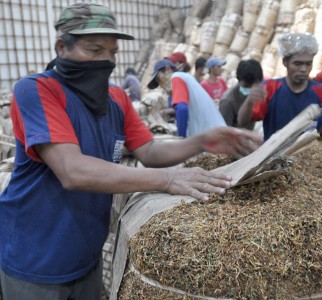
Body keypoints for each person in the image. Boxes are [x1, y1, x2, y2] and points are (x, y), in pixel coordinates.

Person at [0, 3, 262, 300]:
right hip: (35, 259)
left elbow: (148, 150)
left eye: (112, 53)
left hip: (85, 255)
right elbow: (72, 171)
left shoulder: (115, 99)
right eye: (94, 50)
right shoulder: (36, 90)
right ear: (62, 47)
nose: (105, 60)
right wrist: (166, 179)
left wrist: (202, 141)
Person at [237, 32, 322, 141]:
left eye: (308, 64)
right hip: (274, 155)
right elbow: (242, 121)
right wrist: (249, 101)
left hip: (310, 155)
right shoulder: (270, 88)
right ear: (285, 62)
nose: (304, 69)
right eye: (298, 63)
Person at [148, 58, 226, 138]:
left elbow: (182, 108)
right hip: (214, 134)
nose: (160, 83)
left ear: (168, 69)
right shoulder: (185, 78)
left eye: (158, 78)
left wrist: (181, 139)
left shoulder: (176, 77)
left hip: (211, 136)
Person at [219, 59, 263, 130]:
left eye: (254, 86)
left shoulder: (260, 92)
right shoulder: (228, 101)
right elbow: (223, 132)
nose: (251, 89)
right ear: (238, 79)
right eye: (246, 86)